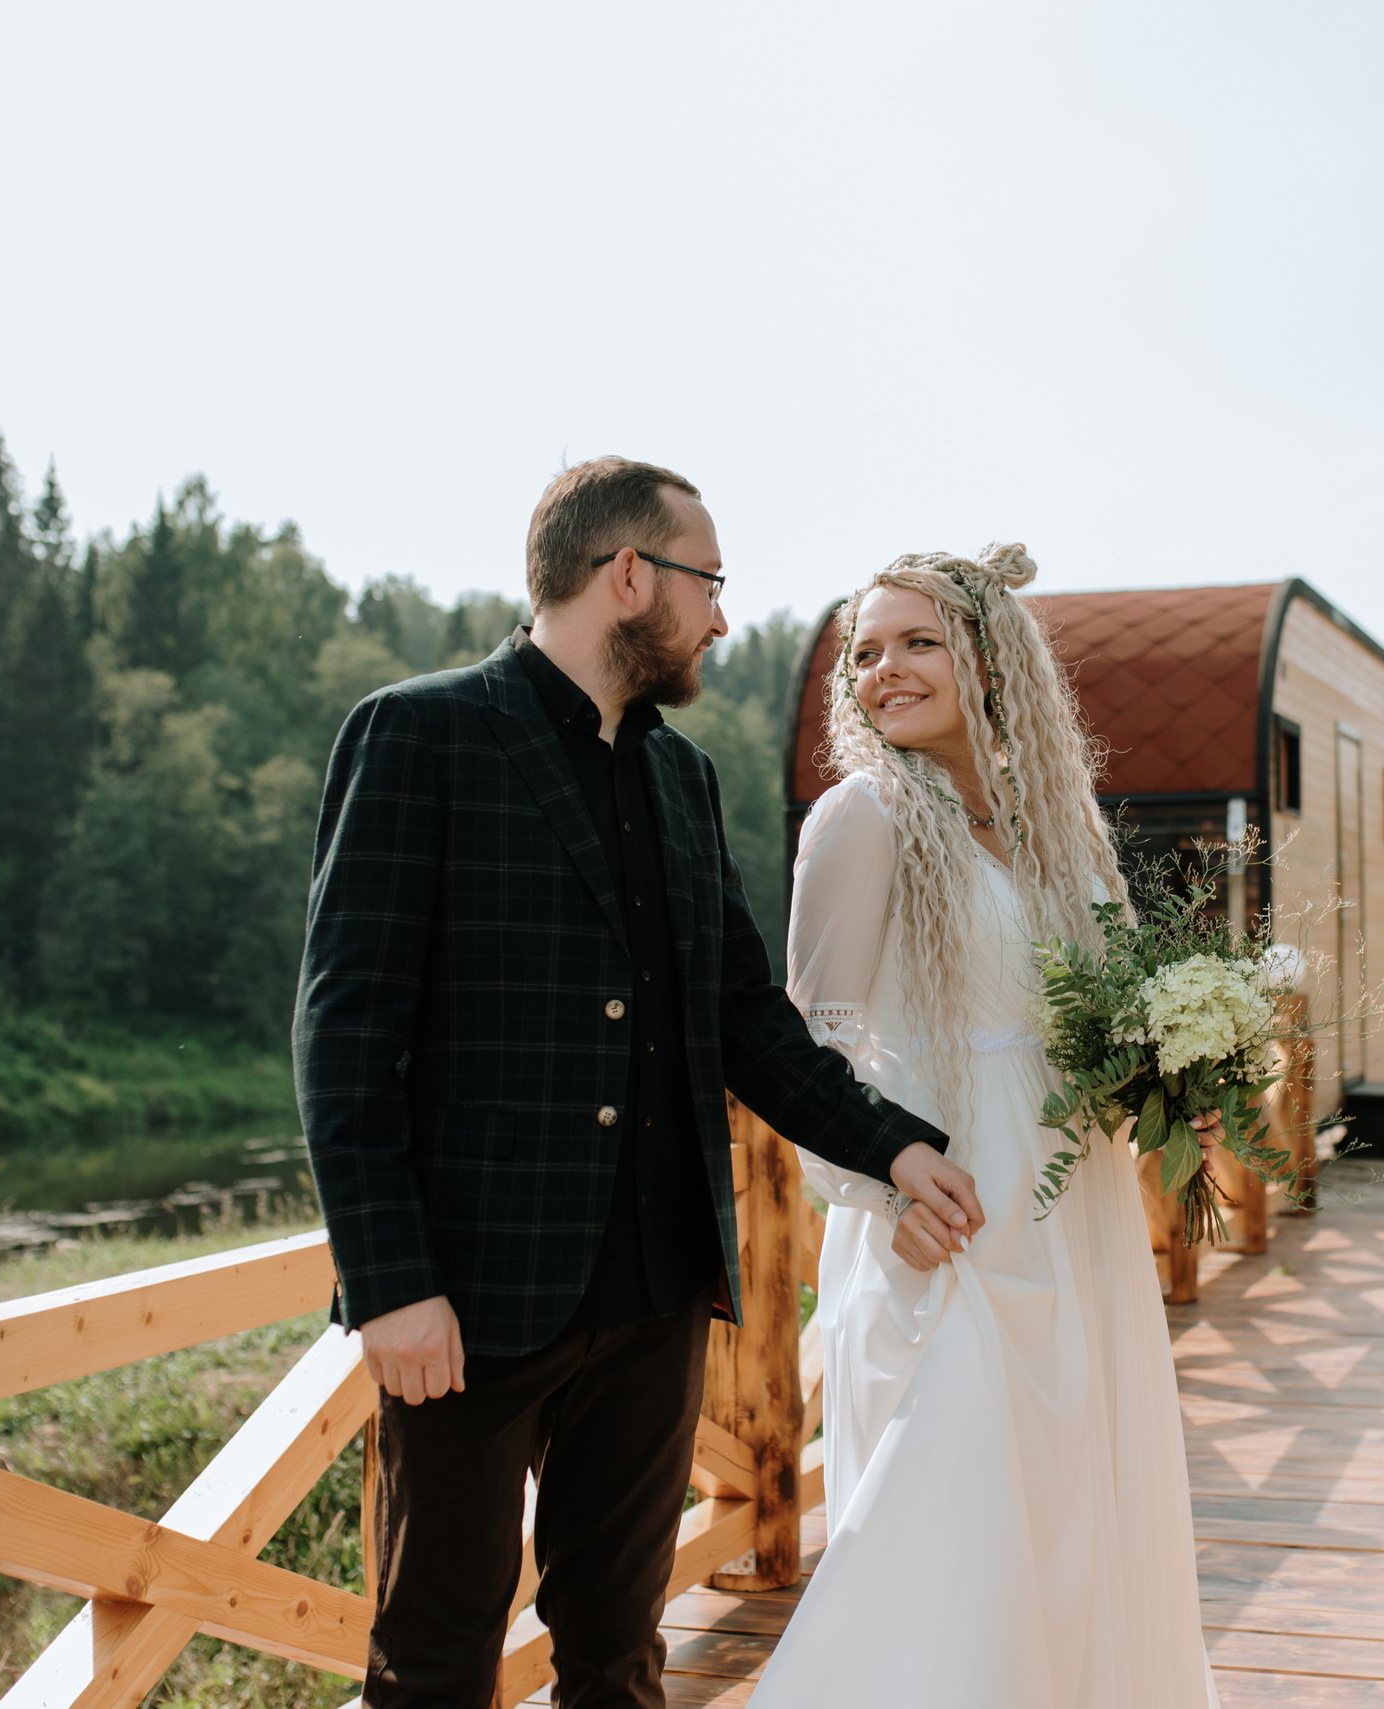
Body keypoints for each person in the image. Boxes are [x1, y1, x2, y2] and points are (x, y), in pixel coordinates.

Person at [292, 457, 985, 1709]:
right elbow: (346, 1031)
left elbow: (741, 1016)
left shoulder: (683, 777)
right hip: (470, 1299)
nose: (722, 616)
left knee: (618, 1650)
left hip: (658, 1288)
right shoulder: (421, 730)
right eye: (708, 582)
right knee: (434, 1660)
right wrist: (391, 1282)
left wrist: (890, 1145)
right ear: (628, 576)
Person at [751, 544, 1216, 1708]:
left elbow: (1102, 1004)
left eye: (917, 641)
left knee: (1069, 1506)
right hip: (942, 1205)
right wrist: (879, 1188)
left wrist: (1174, 1070)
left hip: (1071, 1201)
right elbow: (815, 1041)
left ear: (990, 660)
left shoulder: (1051, 819)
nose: (882, 670)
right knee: (941, 1515)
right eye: (862, 651)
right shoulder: (861, 818)